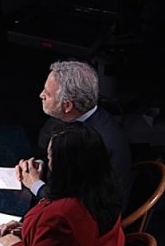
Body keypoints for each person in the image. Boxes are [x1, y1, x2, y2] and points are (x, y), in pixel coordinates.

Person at [16, 60, 133, 208]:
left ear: (68, 105)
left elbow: (75, 206)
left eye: (48, 93)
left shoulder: (96, 144)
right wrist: (36, 166)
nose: (41, 95)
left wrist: (35, 185)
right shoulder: (64, 116)